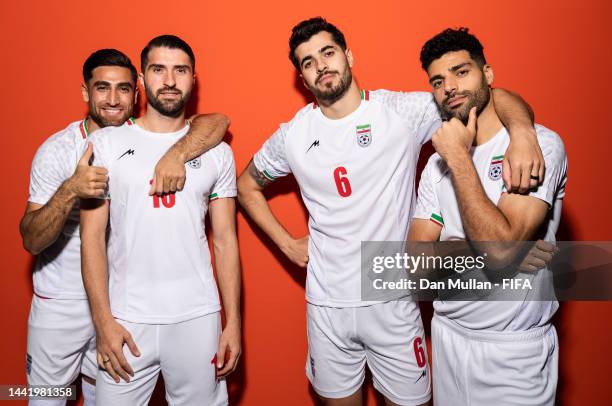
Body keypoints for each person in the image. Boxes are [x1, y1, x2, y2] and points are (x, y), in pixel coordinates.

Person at [237, 17, 542, 406]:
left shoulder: (401, 111)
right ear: (302, 76)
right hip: (327, 305)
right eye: (308, 62)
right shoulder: (293, 134)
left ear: (348, 55)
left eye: (328, 53)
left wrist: (523, 132)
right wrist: (286, 244)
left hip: (393, 299)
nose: (321, 65)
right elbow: (246, 184)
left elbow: (489, 97)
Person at [20, 48, 229, 406]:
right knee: (46, 398)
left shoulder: (153, 139)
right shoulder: (58, 150)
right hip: (65, 301)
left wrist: (175, 155)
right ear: (86, 92)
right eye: (102, 88)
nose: (113, 100)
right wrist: (72, 187)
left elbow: (218, 121)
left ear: (138, 92)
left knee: (99, 394)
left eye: (123, 89)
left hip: (121, 301)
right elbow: (31, 238)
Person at [408, 28, 567, 406]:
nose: (450, 87)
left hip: (512, 353)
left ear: (488, 74)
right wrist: (478, 249)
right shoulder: (434, 165)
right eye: (438, 81)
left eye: (462, 72)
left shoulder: (539, 145)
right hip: (447, 338)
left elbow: (498, 250)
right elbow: (414, 267)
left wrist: (460, 159)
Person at [80, 35, 241, 406]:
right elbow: (91, 239)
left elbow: (225, 240)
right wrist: (103, 323)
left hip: (197, 317)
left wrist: (233, 322)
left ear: (193, 79)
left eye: (180, 70)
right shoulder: (106, 145)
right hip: (127, 317)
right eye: (158, 69)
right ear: (141, 78)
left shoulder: (218, 152)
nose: (169, 80)